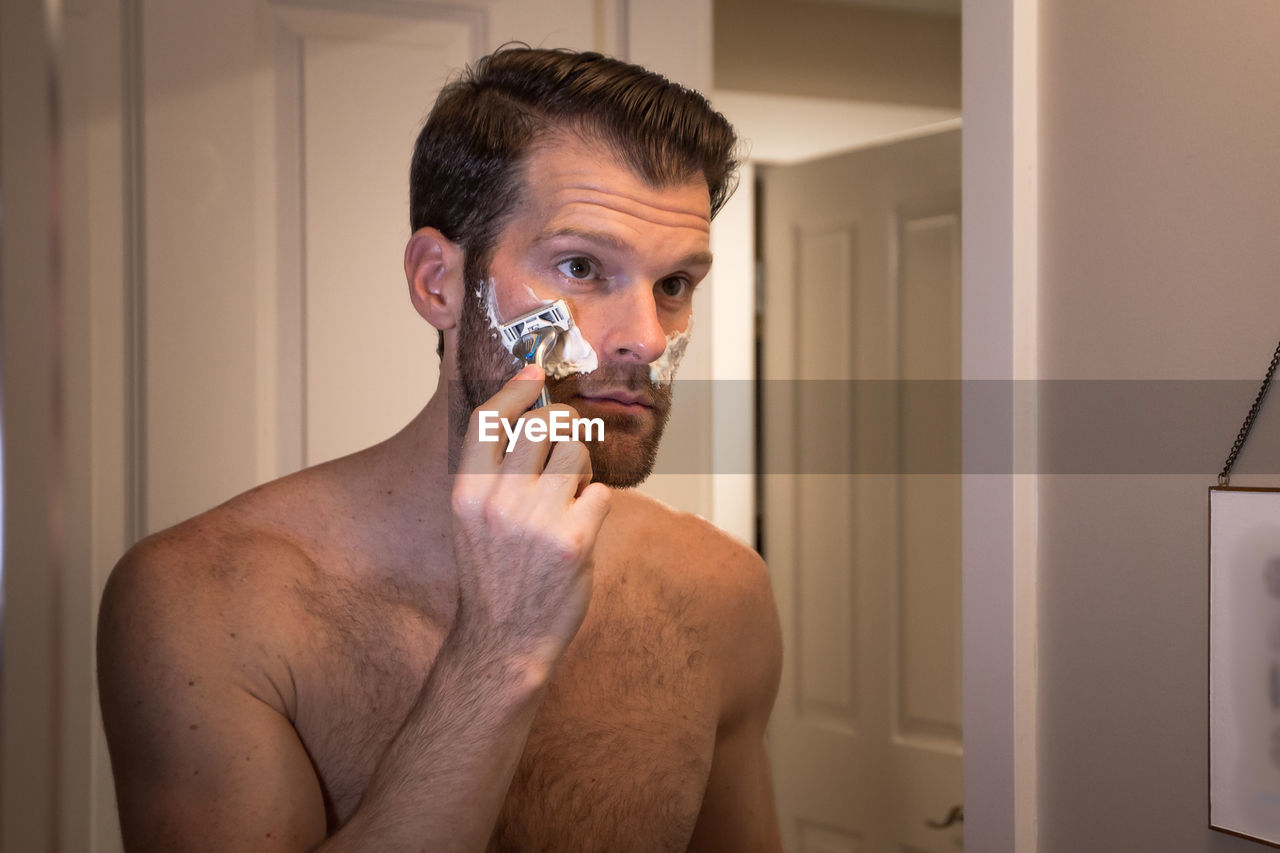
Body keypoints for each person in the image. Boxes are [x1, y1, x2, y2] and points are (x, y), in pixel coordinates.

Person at [97, 46, 783, 852]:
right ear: (438, 282)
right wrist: (500, 648)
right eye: (581, 266)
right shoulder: (206, 603)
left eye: (674, 285)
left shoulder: (720, 593)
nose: (643, 338)